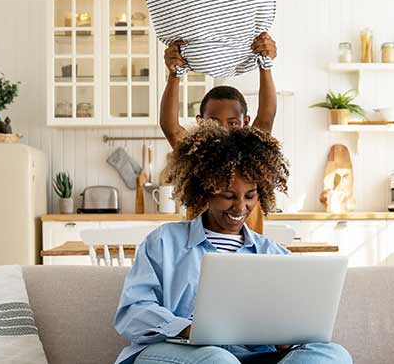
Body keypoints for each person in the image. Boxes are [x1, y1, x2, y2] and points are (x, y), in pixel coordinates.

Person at [113, 122, 352, 364]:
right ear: (205, 191)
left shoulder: (274, 253)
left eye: (250, 196)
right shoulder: (164, 241)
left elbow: (293, 318)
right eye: (228, 196)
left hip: (250, 356)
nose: (240, 207)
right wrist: (187, 329)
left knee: (332, 355)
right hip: (174, 353)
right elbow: (133, 312)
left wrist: (288, 336)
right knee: (218, 358)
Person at [159, 32, 278, 232]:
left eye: (232, 123)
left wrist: (265, 65)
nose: (223, 130)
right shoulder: (198, 156)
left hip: (249, 257)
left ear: (246, 122)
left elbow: (267, 115)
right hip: (201, 253)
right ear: (201, 122)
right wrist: (174, 76)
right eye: (214, 122)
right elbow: (169, 126)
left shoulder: (251, 154)